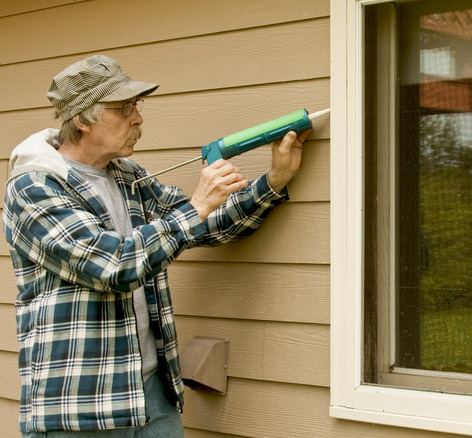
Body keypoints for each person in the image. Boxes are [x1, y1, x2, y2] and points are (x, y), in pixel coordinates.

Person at [2, 55, 309, 436]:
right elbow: (113, 266)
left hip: (150, 394)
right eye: (124, 108)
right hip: (79, 405)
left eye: (137, 106)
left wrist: (275, 180)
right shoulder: (35, 188)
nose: (138, 118)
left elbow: (202, 226)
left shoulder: (129, 176)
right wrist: (197, 204)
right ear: (82, 119)